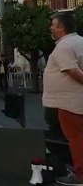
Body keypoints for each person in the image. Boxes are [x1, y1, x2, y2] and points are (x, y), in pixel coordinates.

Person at [43, 13, 83, 185]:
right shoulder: (79, 41)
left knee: (75, 139)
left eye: (53, 24)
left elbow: (72, 71)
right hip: (74, 101)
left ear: (62, 27)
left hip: (68, 103)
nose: (51, 28)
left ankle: (80, 175)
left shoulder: (64, 47)